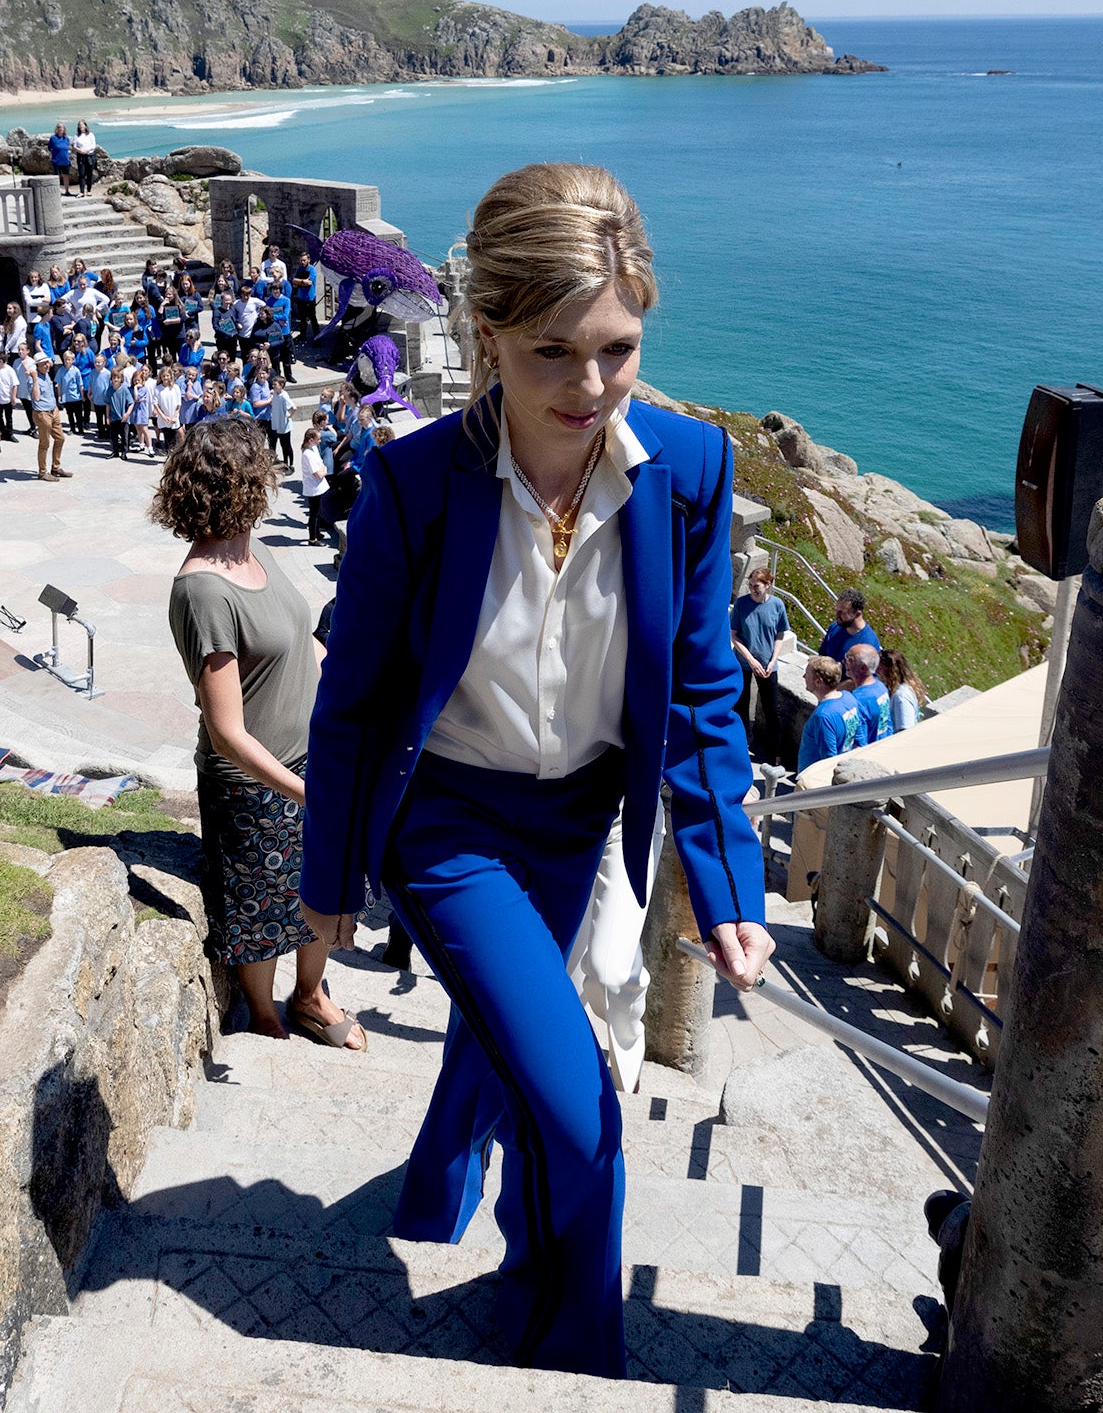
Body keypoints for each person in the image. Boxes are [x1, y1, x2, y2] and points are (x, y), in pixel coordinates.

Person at [301, 162, 772, 1376]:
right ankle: (570, 1343)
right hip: (449, 825)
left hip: (578, 824)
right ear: (487, 332)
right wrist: (329, 880)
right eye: (553, 350)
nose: (591, 385)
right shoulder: (411, 484)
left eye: (616, 348)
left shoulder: (689, 471)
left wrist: (728, 892)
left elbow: (706, 694)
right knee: (576, 1101)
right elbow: (350, 700)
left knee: (507, 1034)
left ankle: (438, 1181)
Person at [155, 417, 366, 1050]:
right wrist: (306, 793)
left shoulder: (255, 549)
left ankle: (309, 996)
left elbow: (297, 645)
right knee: (263, 904)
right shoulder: (202, 590)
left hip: (314, 758)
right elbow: (225, 733)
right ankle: (261, 1008)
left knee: (323, 887)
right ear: (244, 483)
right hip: (255, 781)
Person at [729, 566, 789, 763]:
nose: (753, 590)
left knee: (772, 708)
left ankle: (775, 751)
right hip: (745, 661)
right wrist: (750, 660)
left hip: (767, 663)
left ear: (768, 585)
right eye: (751, 586)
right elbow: (734, 635)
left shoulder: (777, 605)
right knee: (741, 704)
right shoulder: (741, 604)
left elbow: (780, 634)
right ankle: (743, 743)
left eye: (757, 586)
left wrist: (773, 660)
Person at [797, 655, 863, 770]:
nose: (803, 676)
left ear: (818, 682)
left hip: (814, 777)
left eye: (807, 674)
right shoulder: (849, 698)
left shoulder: (823, 716)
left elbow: (829, 760)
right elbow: (859, 738)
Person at [818, 587, 881, 666]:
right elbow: (822, 655)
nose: (837, 615)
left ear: (857, 614)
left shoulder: (868, 643)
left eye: (842, 612)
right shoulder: (835, 627)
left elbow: (866, 676)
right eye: (836, 610)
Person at [30, 353, 69, 481]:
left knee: (60, 438)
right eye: (44, 364)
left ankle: (56, 467)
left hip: (53, 410)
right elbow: (36, 397)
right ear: (37, 366)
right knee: (44, 443)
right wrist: (35, 379)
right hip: (42, 414)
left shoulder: (46, 373)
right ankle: (42, 472)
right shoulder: (33, 379)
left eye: (47, 363)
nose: (47, 365)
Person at [845, 641, 892, 745]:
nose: (844, 661)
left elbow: (859, 741)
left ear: (863, 668)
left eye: (850, 659)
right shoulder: (881, 688)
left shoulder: (856, 700)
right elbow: (888, 724)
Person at [881, 647, 928, 733]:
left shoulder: (901, 697)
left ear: (890, 671)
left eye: (880, 669)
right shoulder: (905, 687)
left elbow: (905, 730)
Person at [298, 426, 330, 544]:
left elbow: (320, 462)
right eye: (318, 439)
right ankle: (312, 538)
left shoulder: (314, 449)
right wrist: (324, 471)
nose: (319, 441)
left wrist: (323, 469)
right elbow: (317, 474)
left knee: (318, 510)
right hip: (313, 487)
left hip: (318, 486)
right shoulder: (307, 454)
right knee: (314, 513)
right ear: (311, 440)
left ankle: (317, 533)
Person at [291, 249, 318, 342]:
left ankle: (317, 337)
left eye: (304, 260)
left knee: (313, 318)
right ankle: (303, 336)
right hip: (300, 298)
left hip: (309, 298)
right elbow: (293, 281)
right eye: (301, 260)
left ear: (308, 260)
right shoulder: (299, 269)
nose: (302, 262)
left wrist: (298, 282)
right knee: (302, 319)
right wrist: (302, 281)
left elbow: (309, 283)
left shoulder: (312, 270)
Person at [266, 378, 294, 469]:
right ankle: (285, 462)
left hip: (284, 424)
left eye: (275, 385)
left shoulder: (284, 396)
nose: (273, 386)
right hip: (277, 423)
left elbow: (294, 407)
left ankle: (290, 463)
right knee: (282, 444)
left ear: (281, 385)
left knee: (286, 445)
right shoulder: (275, 394)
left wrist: (289, 415)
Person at [71, 119, 99, 196]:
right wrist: (80, 151)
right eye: (80, 125)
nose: (81, 127)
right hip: (81, 156)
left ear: (85, 126)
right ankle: (81, 191)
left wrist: (87, 150)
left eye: (82, 125)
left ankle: (89, 190)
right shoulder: (77, 136)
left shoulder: (90, 135)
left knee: (89, 174)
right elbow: (74, 146)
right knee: (81, 174)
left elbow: (93, 145)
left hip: (89, 155)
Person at [48, 122, 72, 189]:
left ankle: (67, 191)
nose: (61, 129)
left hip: (65, 160)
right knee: (57, 177)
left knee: (66, 176)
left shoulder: (66, 138)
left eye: (62, 127)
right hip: (56, 160)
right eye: (59, 127)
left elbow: (67, 147)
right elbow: (49, 148)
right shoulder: (53, 138)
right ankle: (57, 190)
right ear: (57, 129)